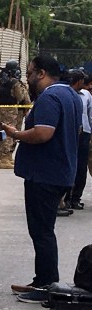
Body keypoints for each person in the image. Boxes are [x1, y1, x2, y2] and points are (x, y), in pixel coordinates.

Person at [1, 54, 83, 303]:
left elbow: (43, 133)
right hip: (60, 171)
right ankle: (41, 280)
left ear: (42, 73)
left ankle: (47, 285)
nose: (27, 78)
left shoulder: (50, 97)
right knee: (43, 230)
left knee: (42, 231)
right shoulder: (71, 95)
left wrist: (16, 133)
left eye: (30, 73)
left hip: (45, 174)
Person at [0, 61, 31, 169]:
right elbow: (20, 97)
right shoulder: (15, 82)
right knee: (9, 133)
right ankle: (4, 159)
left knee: (0, 132)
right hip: (11, 110)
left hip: (0, 109)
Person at [67, 69, 92, 210]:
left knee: (81, 167)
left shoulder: (87, 95)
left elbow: (90, 115)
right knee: (69, 164)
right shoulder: (65, 95)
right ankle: (65, 197)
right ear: (78, 81)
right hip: (69, 133)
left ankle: (76, 198)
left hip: (84, 134)